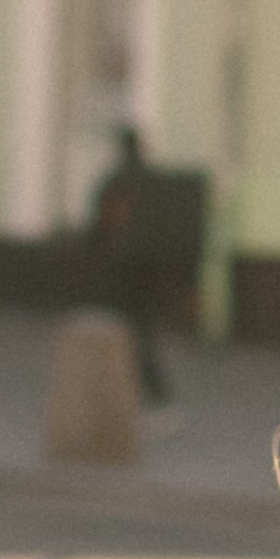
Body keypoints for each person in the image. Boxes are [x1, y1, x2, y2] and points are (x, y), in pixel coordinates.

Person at [87, 123, 179, 403]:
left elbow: (102, 225)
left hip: (122, 268)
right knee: (143, 331)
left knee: (123, 332)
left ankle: (131, 392)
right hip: (152, 269)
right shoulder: (155, 183)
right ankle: (146, 392)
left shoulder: (117, 182)